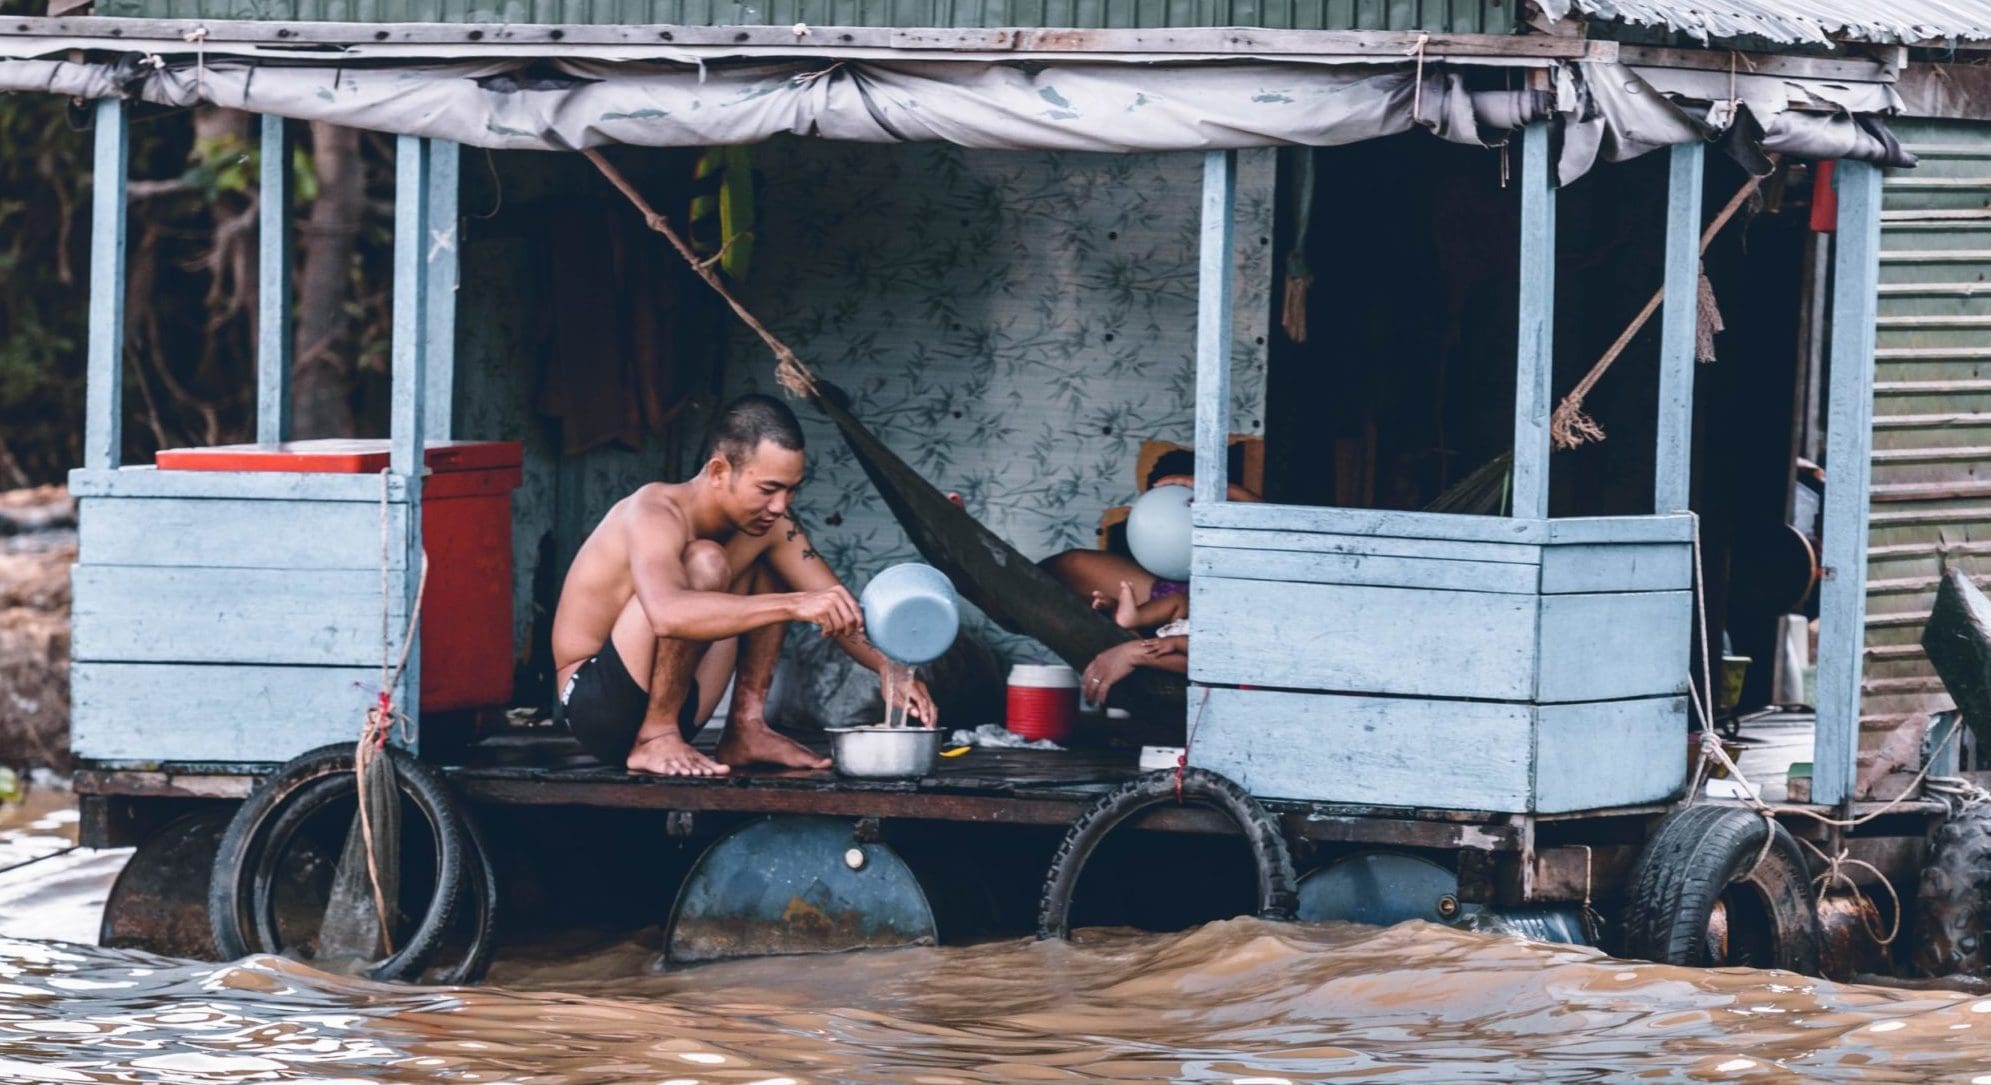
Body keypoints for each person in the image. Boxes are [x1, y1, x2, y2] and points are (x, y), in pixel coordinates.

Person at [551, 394, 937, 777]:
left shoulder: (769, 526)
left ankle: (746, 728)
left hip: (680, 702)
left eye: (791, 490)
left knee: (769, 557)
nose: (781, 505)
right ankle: (657, 733)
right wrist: (791, 605)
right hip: (596, 704)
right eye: (768, 490)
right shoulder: (653, 511)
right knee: (706, 562)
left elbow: (835, 605)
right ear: (719, 471)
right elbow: (668, 615)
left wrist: (890, 670)